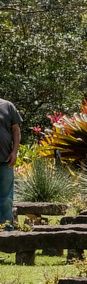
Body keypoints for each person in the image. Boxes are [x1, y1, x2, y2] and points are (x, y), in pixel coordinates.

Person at [0, 99, 21, 231]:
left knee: (6, 198)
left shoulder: (8, 106)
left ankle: (6, 228)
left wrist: (14, 152)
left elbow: (16, 130)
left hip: (5, 160)